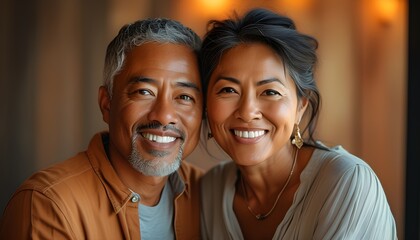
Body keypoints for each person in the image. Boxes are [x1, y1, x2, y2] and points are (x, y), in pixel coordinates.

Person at [199, 8, 397, 239]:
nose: (247, 111)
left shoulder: (347, 182)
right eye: (228, 90)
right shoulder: (209, 190)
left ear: (300, 107)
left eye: (270, 92)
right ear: (205, 103)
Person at [0, 18, 203, 239]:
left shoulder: (210, 192)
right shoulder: (49, 204)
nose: (164, 115)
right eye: (144, 92)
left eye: (184, 96)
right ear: (107, 104)